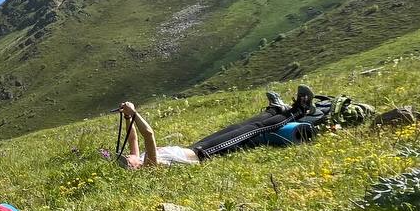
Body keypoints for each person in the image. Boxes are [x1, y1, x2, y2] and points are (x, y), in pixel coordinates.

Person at [117, 85, 313, 169]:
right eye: (127, 161)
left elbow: (133, 137)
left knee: (241, 126)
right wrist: (135, 112)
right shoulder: (150, 165)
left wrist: (127, 116)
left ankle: (275, 110)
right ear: (135, 167)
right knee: (252, 129)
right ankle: (299, 110)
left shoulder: (139, 158)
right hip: (206, 153)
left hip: (198, 147)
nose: (127, 156)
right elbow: (148, 134)